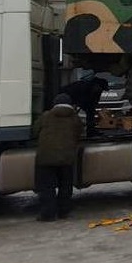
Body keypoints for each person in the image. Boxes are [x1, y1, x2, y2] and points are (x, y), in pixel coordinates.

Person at [31, 92, 84, 221]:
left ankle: (47, 214)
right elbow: (80, 133)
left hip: (46, 158)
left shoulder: (46, 116)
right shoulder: (75, 118)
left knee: (46, 187)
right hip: (67, 158)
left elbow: (35, 131)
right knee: (65, 186)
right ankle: (63, 212)